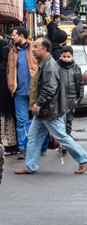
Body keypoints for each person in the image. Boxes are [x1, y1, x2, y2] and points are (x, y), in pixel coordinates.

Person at [14, 37, 87, 175]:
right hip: (46, 111)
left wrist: (38, 103)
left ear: (44, 49)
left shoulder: (49, 66)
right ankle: (30, 165)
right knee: (34, 137)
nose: (33, 50)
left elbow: (50, 88)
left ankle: (84, 159)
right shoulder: (45, 63)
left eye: (36, 47)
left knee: (62, 137)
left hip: (50, 110)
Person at [7, 27, 38, 159]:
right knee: (21, 121)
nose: (12, 37)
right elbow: (9, 70)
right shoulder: (12, 52)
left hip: (34, 91)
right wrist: (10, 85)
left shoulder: (34, 48)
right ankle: (22, 147)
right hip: (18, 92)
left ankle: (34, 146)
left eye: (14, 35)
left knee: (36, 121)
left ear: (21, 35)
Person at [57, 46, 83, 135]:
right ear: (60, 56)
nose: (66, 59)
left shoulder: (76, 68)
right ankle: (62, 141)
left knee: (68, 121)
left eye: (68, 57)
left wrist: (79, 98)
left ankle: (67, 139)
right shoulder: (57, 67)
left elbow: (80, 83)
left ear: (72, 57)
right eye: (64, 57)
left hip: (72, 98)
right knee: (60, 121)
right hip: (60, 98)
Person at [0, 34, 17, 156]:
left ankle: (6, 144)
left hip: (4, 99)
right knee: (10, 120)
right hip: (10, 98)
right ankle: (11, 145)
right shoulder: (10, 65)